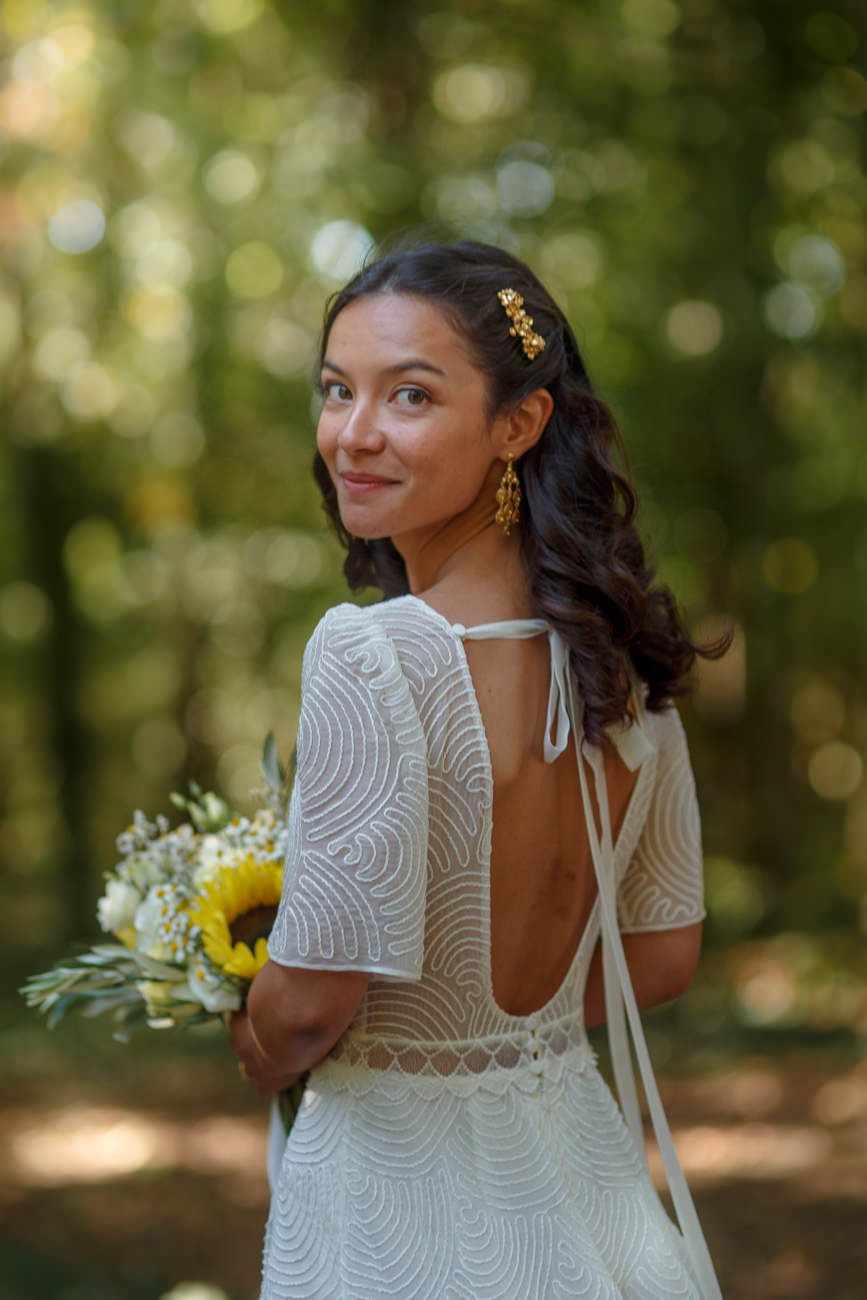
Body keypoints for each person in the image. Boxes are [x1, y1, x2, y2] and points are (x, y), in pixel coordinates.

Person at [230, 240, 726, 1299]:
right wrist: (502, 1041)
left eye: (409, 395)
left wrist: (254, 1031)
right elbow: (665, 956)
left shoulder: (372, 653)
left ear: (519, 422)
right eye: (335, 390)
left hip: (396, 1197)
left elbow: (313, 1001)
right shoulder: (622, 671)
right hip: (578, 1179)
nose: (351, 434)